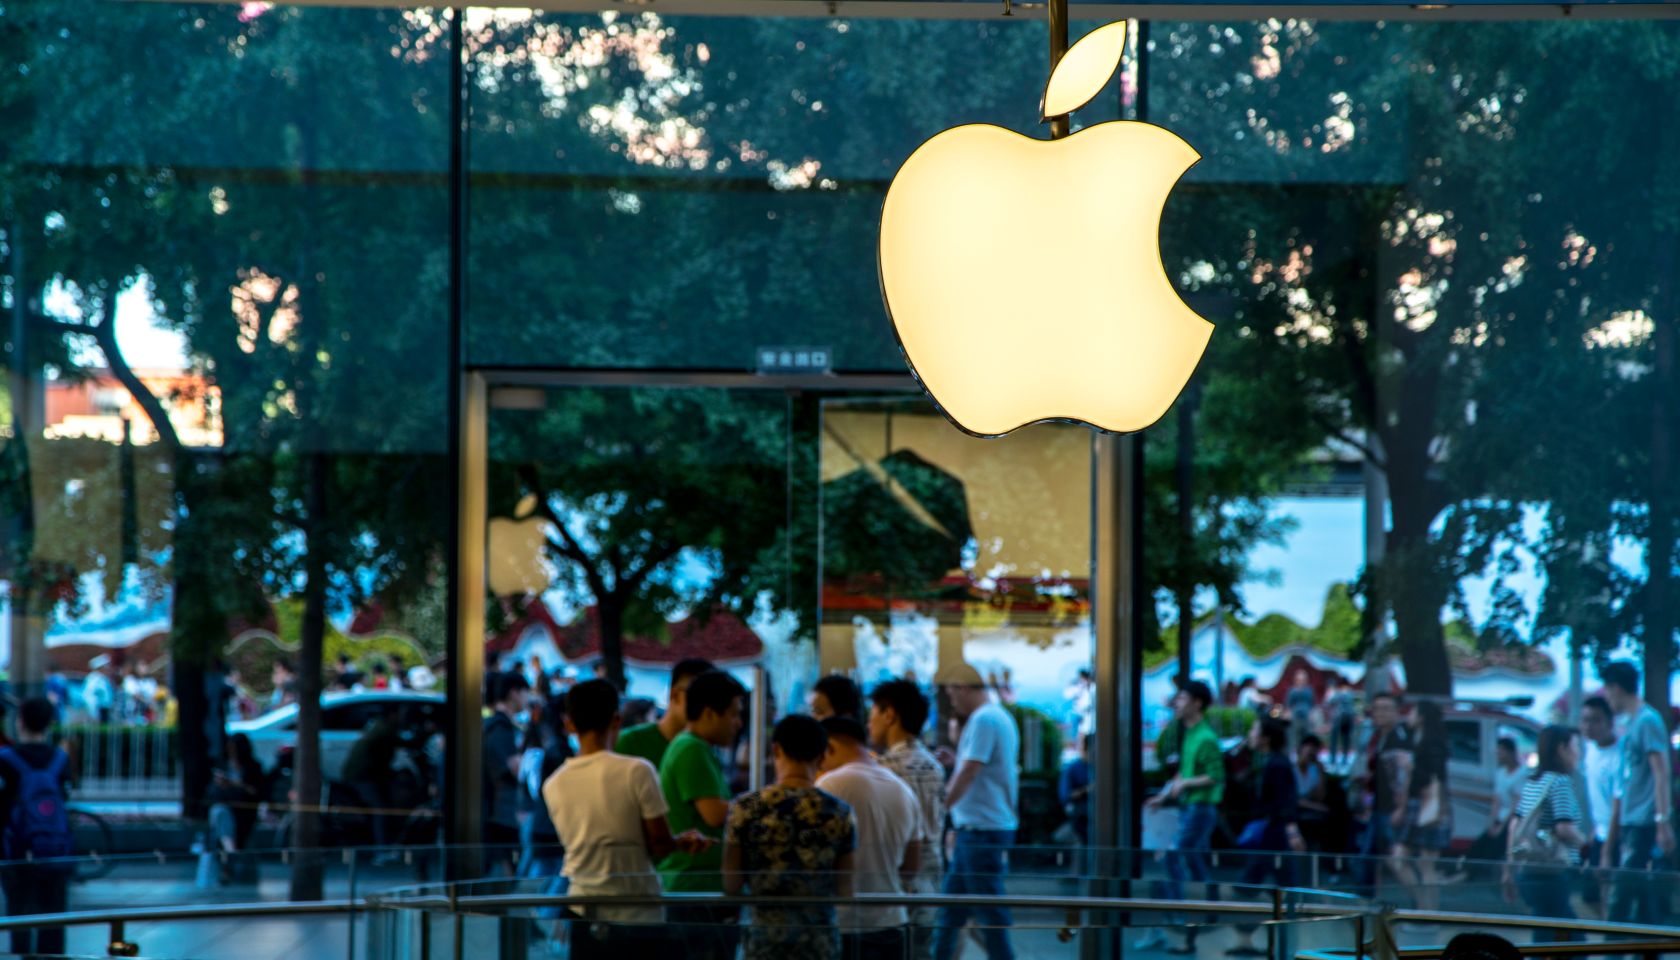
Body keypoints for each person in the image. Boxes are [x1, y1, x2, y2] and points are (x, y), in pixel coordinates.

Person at [543, 679, 689, 956]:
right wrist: (679, 842)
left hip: (582, 908)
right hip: (639, 912)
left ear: (569, 724)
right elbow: (659, 843)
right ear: (616, 720)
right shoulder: (637, 771)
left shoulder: (553, 784)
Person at [723, 714, 855, 960]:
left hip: (762, 940)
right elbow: (845, 888)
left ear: (776, 750)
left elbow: (731, 882)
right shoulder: (839, 812)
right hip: (818, 942)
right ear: (823, 754)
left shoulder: (746, 807)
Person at [933, 662, 1019, 960]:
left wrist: (940, 808)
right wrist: (955, 761)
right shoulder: (997, 717)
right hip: (981, 830)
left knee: (987, 914)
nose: (952, 702)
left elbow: (971, 769)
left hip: (982, 831)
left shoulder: (983, 720)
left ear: (963, 687)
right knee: (952, 913)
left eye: (951, 694)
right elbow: (973, 766)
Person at [659, 669, 746, 960]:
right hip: (695, 888)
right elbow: (714, 814)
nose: (738, 723)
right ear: (709, 713)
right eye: (733, 714)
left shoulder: (697, 747)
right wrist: (759, 806)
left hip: (697, 886)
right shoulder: (691, 749)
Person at [817, 715, 920, 960]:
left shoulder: (827, 785)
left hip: (843, 923)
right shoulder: (903, 790)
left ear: (828, 748)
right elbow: (911, 867)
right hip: (892, 922)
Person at [1143, 679, 1225, 954]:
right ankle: (1199, 913)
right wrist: (1165, 796)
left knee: (1175, 856)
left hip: (1200, 809)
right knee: (1192, 862)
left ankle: (1185, 914)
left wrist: (1183, 787)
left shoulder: (1205, 738)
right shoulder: (1190, 733)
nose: (1176, 703)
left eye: (1181, 698)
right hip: (1192, 808)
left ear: (1196, 702)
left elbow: (1215, 777)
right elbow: (1184, 774)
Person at [869, 679, 946, 960]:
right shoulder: (933, 764)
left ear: (890, 715)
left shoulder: (885, 768)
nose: (869, 723)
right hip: (930, 890)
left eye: (873, 714)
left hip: (897, 893)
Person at [1600, 661, 1674, 925]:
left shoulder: (1647, 721)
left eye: (1607, 691)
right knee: (1642, 896)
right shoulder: (1633, 723)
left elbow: (1660, 771)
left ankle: (1613, 950)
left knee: (1623, 894)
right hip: (1632, 818)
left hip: (1643, 820)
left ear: (1616, 688)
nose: (1607, 698)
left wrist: (1662, 821)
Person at [0, 698, 74, 957]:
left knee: (19, 916)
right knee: (53, 918)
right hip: (55, 851)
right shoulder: (60, 759)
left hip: (16, 851)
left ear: (20, 721)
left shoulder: (7, 759)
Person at [1228, 717, 1306, 957]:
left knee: (1249, 887)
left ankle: (1271, 943)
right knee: (1277, 889)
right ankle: (1273, 944)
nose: (1250, 734)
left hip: (1274, 835)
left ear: (1266, 737)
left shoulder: (1278, 764)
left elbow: (1286, 800)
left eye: (1254, 730)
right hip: (1271, 834)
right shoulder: (1267, 761)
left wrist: (1291, 830)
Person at [1503, 724, 1586, 941]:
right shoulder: (1560, 782)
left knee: (1547, 933)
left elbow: (1515, 825)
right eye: (1576, 746)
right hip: (1553, 872)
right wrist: (1586, 843)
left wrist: (1509, 869)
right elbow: (1564, 828)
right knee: (1572, 941)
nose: (1579, 752)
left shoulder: (1533, 781)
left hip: (1528, 870)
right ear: (1561, 749)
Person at [1394, 700, 1451, 912]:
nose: (1408, 715)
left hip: (1427, 805)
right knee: (1406, 859)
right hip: (1421, 805)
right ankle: (1423, 907)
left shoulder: (1431, 743)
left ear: (1422, 716)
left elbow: (1434, 778)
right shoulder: (1419, 739)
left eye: (1413, 712)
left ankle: (1428, 912)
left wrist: (1410, 768)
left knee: (1425, 863)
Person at [1357, 692, 1412, 894]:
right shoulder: (1380, 737)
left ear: (1397, 712)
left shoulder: (1398, 738)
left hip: (1390, 810)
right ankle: (1369, 901)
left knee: (1395, 859)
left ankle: (1423, 905)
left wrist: (1401, 807)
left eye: (1386, 709)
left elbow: (1404, 777)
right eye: (1377, 709)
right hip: (1379, 808)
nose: (1380, 713)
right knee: (1372, 857)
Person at [617, 658, 715, 770]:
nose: (709, 709)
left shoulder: (705, 748)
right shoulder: (628, 743)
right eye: (701, 697)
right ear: (675, 695)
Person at [202, 732, 266, 885]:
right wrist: (220, 785)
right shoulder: (223, 765)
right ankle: (230, 851)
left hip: (242, 812)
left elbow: (257, 792)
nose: (231, 752)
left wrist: (235, 784)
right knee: (220, 812)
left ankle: (227, 854)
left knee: (219, 816)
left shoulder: (253, 767)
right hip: (224, 807)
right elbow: (211, 793)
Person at [482, 671, 531, 866]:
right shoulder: (501, 728)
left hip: (497, 810)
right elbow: (515, 768)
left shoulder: (493, 725)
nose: (528, 698)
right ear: (514, 693)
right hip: (503, 811)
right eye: (525, 692)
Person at [1577, 695, 1620, 914]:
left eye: (1595, 720)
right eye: (1584, 720)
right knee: (1590, 894)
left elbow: (1617, 805)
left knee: (1611, 892)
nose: (1588, 726)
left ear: (1609, 722)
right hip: (1600, 833)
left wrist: (1606, 850)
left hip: (1616, 836)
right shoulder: (1591, 750)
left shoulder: (1619, 756)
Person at [343, 707, 402, 849]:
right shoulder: (385, 729)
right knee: (380, 809)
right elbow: (403, 744)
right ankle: (381, 847)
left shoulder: (378, 726)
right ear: (393, 715)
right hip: (363, 776)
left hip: (363, 774)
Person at [1295, 733, 1329, 850]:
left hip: (1312, 808)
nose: (1310, 754)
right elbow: (1293, 798)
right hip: (1296, 810)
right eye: (1308, 750)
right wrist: (1315, 806)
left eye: (1314, 751)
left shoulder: (1315, 769)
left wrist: (1321, 773)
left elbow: (1320, 796)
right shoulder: (1291, 769)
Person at [1059, 733, 1093, 845]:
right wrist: (1086, 790)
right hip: (1080, 817)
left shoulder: (1100, 767)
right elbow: (1065, 796)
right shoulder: (1073, 768)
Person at [1325, 676, 1357, 766]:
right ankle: (1344, 758)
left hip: (1339, 717)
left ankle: (1333, 759)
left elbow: (1330, 702)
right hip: (1349, 717)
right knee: (1345, 739)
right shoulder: (1351, 693)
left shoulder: (1338, 693)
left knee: (1334, 739)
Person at [1286, 670, 1317, 744]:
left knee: (1307, 738)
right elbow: (1288, 706)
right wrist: (1289, 716)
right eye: (1299, 679)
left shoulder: (1309, 691)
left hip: (1307, 718)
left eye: (1303, 679)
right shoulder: (1292, 691)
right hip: (1296, 718)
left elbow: (1312, 705)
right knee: (1296, 738)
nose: (1301, 681)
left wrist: (1312, 716)